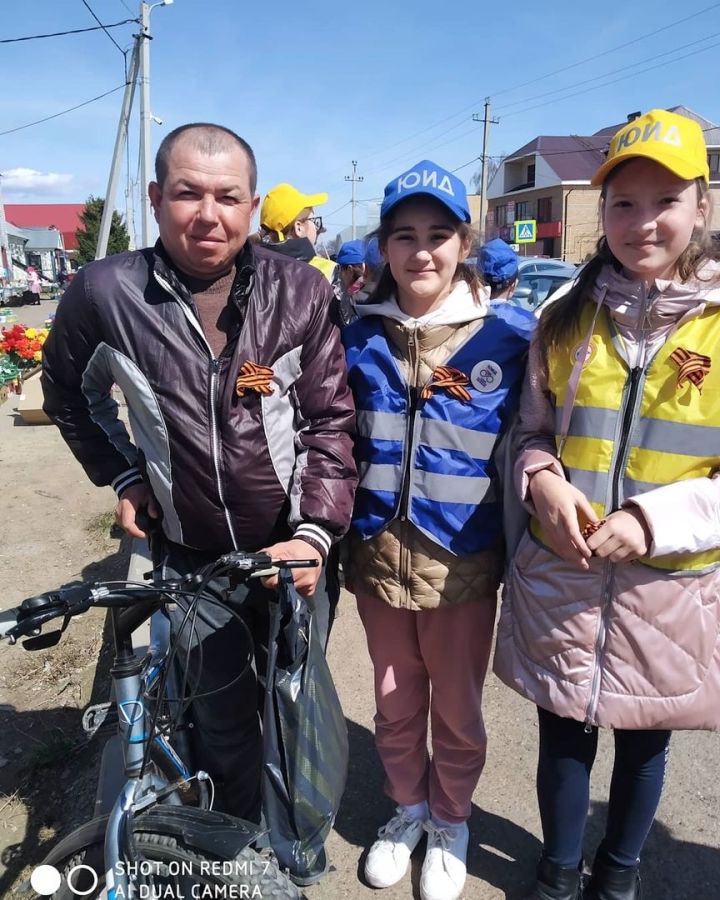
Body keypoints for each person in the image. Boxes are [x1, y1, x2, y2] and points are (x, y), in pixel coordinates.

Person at [41, 124, 357, 847]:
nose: (207, 214)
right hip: (190, 561)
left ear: (250, 206)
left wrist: (312, 536)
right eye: (187, 193)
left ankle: (298, 852)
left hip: (291, 560)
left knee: (295, 708)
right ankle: (233, 851)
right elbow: (67, 395)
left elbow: (330, 423)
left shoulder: (301, 291)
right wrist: (123, 470)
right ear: (157, 198)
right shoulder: (104, 294)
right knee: (219, 721)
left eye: (227, 196)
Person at [494, 108, 720, 900]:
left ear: (702, 205)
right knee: (561, 735)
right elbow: (530, 432)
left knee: (646, 747)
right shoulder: (563, 321)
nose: (642, 221)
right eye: (622, 203)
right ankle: (557, 872)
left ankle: (617, 879)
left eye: (663, 200)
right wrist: (542, 479)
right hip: (566, 579)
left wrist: (654, 520)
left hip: (671, 586)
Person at [342, 160, 535, 900]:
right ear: (384, 247)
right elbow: (279, 394)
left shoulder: (512, 336)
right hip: (375, 560)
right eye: (405, 236)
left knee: (456, 709)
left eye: (438, 235)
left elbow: (550, 432)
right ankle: (408, 811)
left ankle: (451, 823)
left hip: (463, 567)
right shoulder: (354, 335)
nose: (421, 252)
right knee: (394, 702)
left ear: (464, 243)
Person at [259, 181, 336, 281]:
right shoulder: (326, 273)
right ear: (299, 228)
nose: (317, 227)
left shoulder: (254, 269)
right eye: (314, 220)